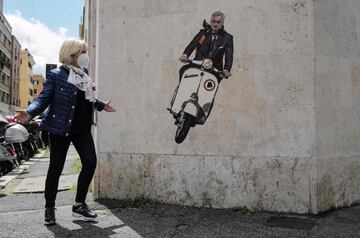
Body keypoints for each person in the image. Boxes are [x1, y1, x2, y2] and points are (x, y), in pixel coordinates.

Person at [14, 39, 116, 226]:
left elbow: (89, 98)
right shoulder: (56, 75)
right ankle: (49, 209)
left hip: (82, 130)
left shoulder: (84, 76)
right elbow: (43, 99)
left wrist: (102, 105)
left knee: (90, 163)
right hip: (59, 128)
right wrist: (29, 112)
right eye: (82, 52)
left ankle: (79, 205)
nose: (86, 56)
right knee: (56, 169)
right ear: (72, 55)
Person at [179, 11, 234, 79]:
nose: (215, 24)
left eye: (218, 22)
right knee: (183, 70)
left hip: (215, 69)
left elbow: (229, 56)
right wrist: (185, 55)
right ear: (210, 21)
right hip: (198, 65)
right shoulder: (203, 33)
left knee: (212, 84)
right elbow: (192, 44)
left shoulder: (227, 38)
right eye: (213, 21)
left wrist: (226, 69)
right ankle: (181, 89)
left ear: (222, 23)